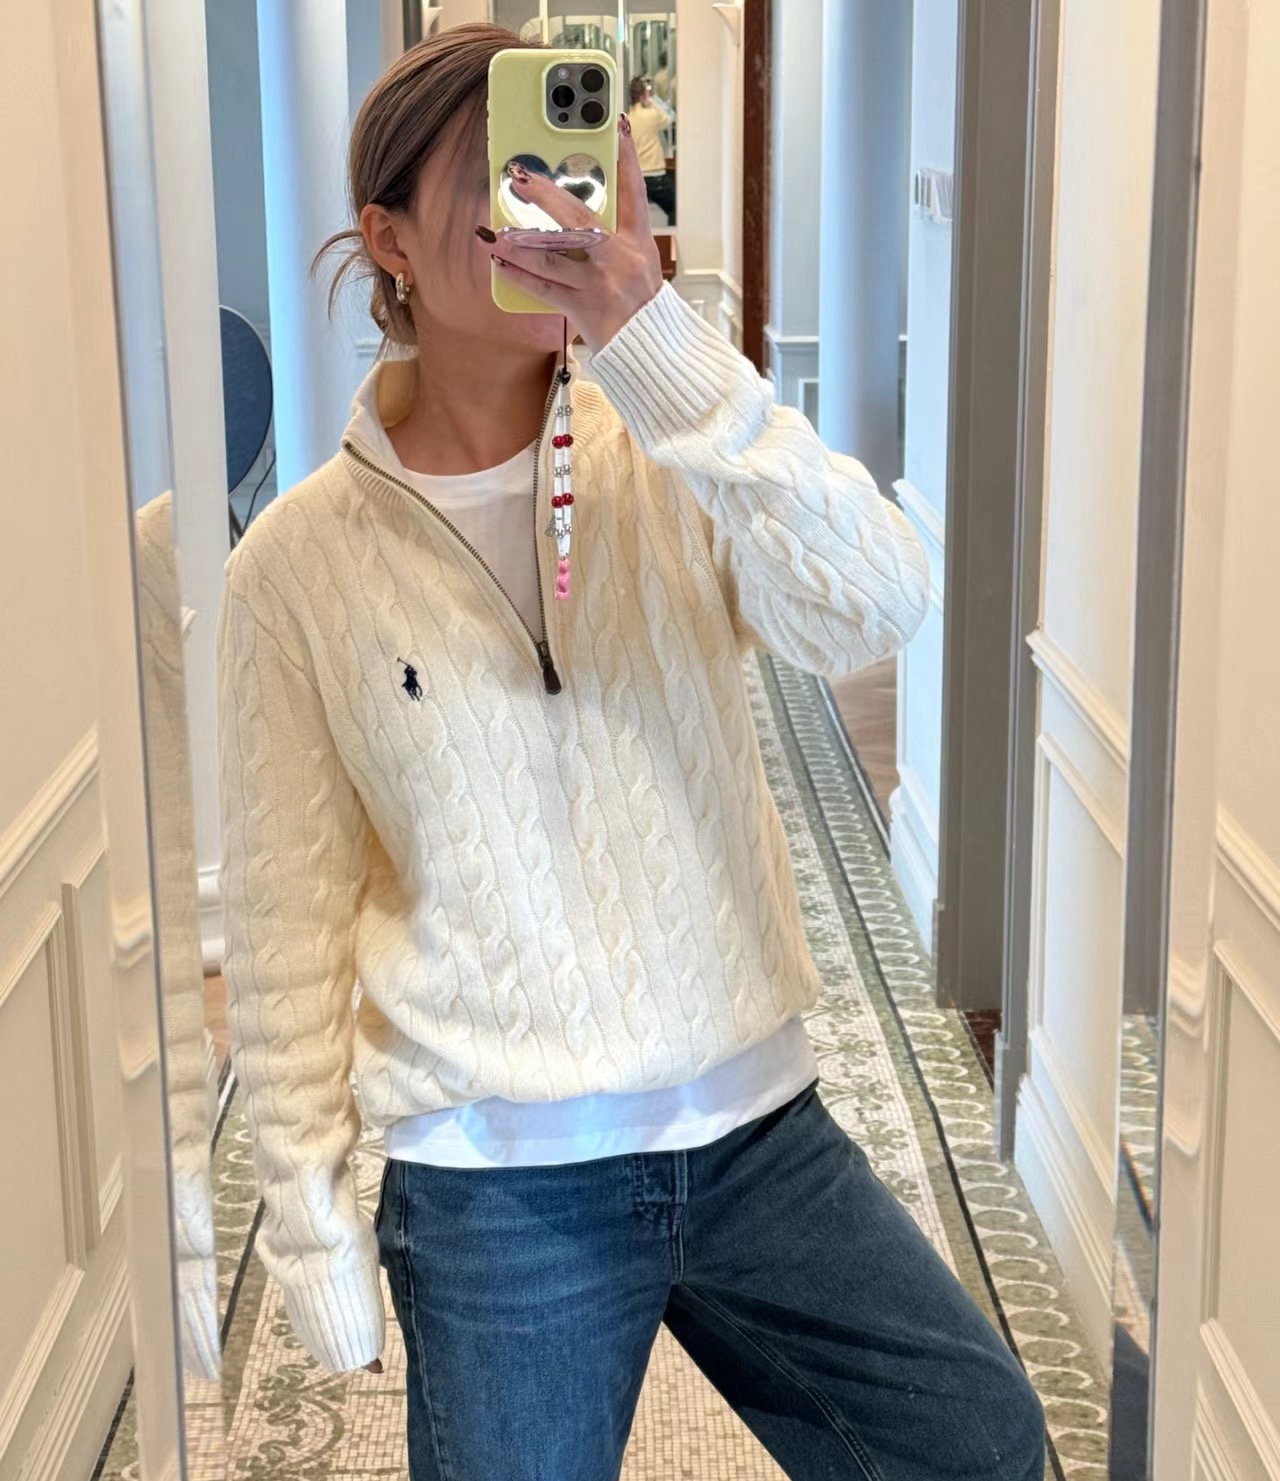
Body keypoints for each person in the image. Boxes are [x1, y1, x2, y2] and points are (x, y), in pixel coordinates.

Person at [216, 22, 1046, 1481]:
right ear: (389, 239)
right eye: (500, 179)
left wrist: (660, 348)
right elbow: (288, 916)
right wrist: (309, 1222)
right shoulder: (296, 565)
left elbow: (876, 602)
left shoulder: (669, 458)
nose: (552, 209)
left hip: (753, 1128)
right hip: (495, 1181)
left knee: (973, 1440)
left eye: (574, 171)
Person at [626, 73, 675, 224]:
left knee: (635, 217)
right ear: (643, 95)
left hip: (637, 176)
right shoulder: (652, 115)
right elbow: (669, 118)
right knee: (676, 209)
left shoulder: (628, 118)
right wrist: (652, 101)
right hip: (656, 174)